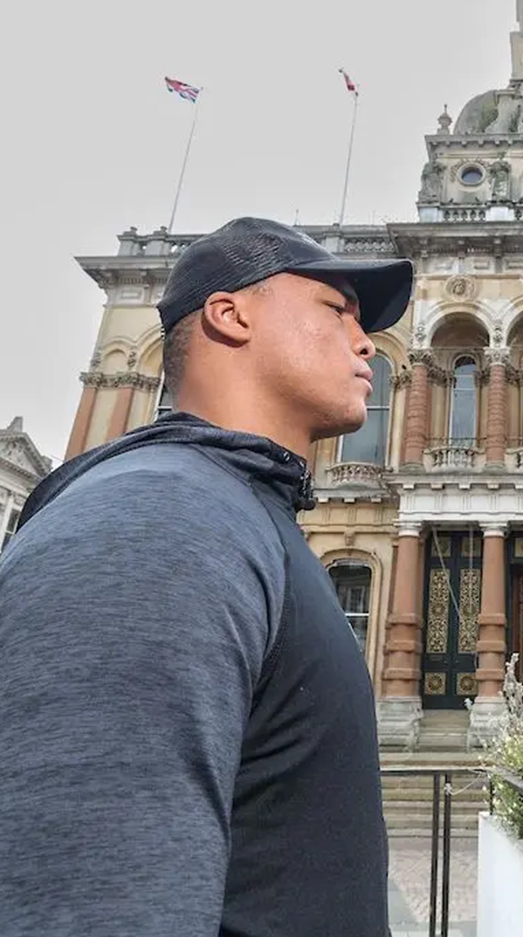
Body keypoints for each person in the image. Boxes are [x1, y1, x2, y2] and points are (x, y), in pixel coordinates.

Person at [0, 217, 413, 937]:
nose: (365, 341)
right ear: (230, 315)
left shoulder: (237, 510)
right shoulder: (155, 518)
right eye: (336, 310)